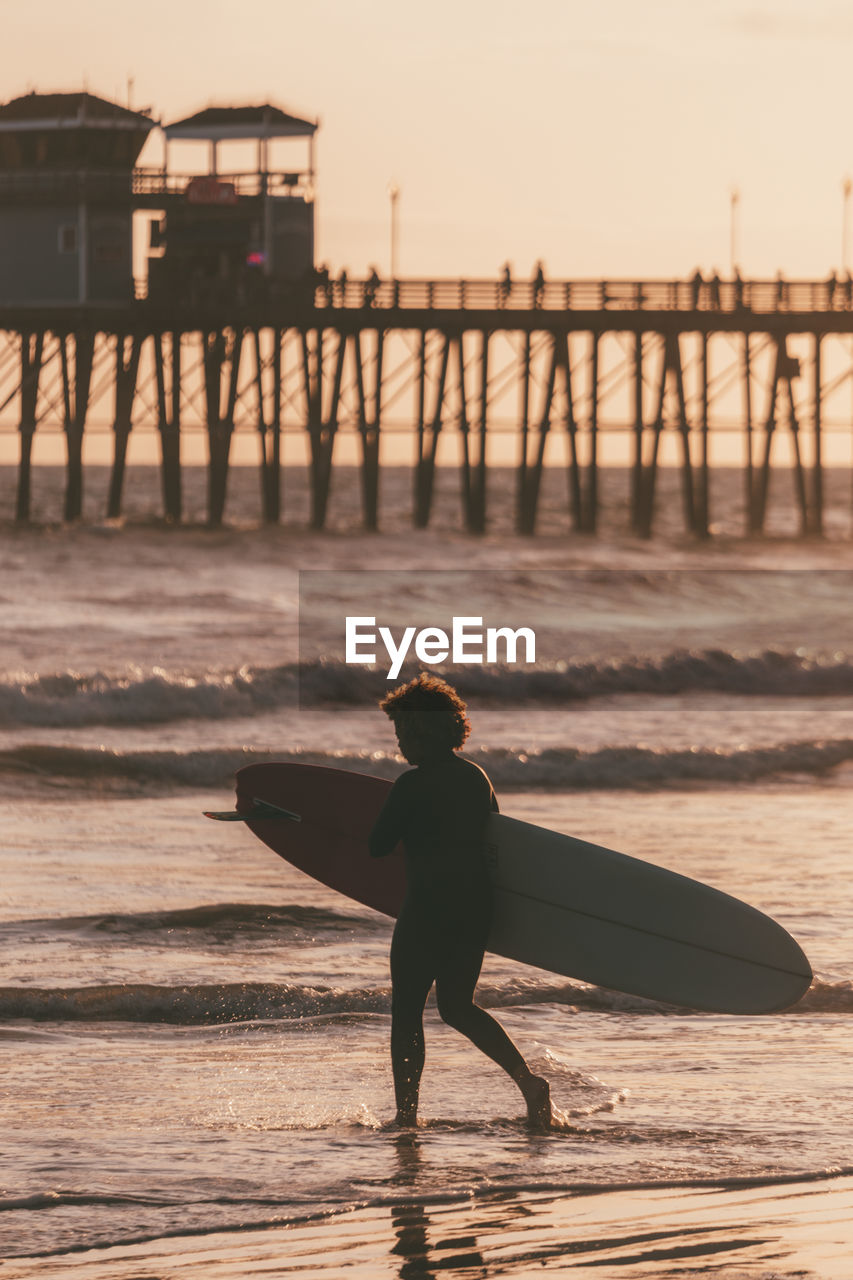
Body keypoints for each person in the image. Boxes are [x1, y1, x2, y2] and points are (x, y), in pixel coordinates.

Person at [368, 673, 553, 1130]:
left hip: (428, 908)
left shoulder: (410, 785)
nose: (400, 744)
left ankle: (406, 1116)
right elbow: (494, 836)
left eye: (404, 732)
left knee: (407, 1011)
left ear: (423, 730)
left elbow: (377, 845)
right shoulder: (476, 778)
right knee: (457, 1006)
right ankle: (528, 1081)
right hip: (473, 906)